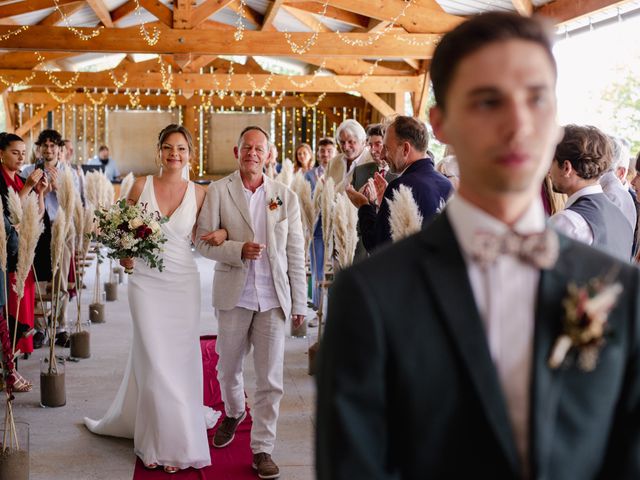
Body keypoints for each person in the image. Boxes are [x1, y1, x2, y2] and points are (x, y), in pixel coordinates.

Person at [317, 12, 640, 479]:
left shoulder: (619, 290)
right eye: (488, 101)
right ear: (441, 123)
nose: (517, 123)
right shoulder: (370, 296)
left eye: (536, 99)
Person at [84, 125, 221, 474]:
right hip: (146, 282)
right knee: (154, 358)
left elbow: (208, 235)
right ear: (158, 150)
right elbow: (118, 226)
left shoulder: (201, 193)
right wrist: (123, 253)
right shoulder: (141, 185)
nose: (175, 154)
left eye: (181, 148)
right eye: (168, 147)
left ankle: (179, 436)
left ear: (190, 153)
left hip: (182, 282)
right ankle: (158, 440)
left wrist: (221, 233)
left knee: (179, 358)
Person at [195, 125, 306, 480]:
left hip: (273, 299)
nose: (253, 154)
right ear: (236, 152)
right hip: (234, 294)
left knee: (270, 379)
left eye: (260, 148)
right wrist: (236, 249)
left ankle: (262, 449)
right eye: (247, 148)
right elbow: (201, 241)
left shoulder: (284, 196)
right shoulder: (219, 191)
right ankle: (233, 410)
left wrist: (300, 303)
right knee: (227, 369)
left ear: (269, 154)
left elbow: (295, 253)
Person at [346, 116, 452, 254]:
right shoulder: (447, 185)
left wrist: (364, 205)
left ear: (406, 149)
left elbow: (377, 246)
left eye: (387, 148)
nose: (382, 156)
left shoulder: (401, 186)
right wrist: (384, 200)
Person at [0, 132, 48, 389]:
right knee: (6, 311)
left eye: (23, 152)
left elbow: (34, 215)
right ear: (1, 153)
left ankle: (11, 367)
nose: (20, 157)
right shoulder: (4, 180)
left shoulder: (20, 179)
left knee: (19, 308)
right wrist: (28, 187)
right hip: (5, 254)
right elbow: (8, 218)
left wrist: (39, 192)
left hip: (22, 252)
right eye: (14, 152)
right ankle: (7, 370)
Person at [22, 130, 78, 347]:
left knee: (60, 280)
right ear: (39, 148)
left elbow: (72, 206)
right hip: (35, 229)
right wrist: (41, 192)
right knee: (36, 281)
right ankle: (38, 328)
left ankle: (61, 327)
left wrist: (58, 187)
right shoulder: (29, 170)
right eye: (44, 145)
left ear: (59, 149)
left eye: (53, 145)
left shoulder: (68, 173)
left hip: (60, 228)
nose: (48, 149)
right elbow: (21, 199)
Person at [548, 125, 633, 260]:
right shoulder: (622, 219)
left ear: (566, 168)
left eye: (550, 162)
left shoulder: (567, 223)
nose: (548, 172)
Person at [326, 119, 373, 189]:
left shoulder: (373, 163)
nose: (346, 147)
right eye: (342, 142)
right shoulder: (332, 163)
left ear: (363, 142)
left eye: (351, 142)